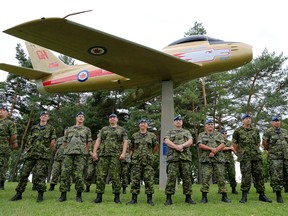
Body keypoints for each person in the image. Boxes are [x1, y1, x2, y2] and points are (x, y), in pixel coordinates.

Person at [11, 111, 56, 202]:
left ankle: (40, 195)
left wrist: (47, 150)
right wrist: (27, 149)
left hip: (42, 156)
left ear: (48, 118)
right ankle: (18, 194)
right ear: (40, 117)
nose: (43, 117)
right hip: (31, 154)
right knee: (24, 174)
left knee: (40, 175)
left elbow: (52, 141)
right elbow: (29, 139)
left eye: (46, 116)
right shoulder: (34, 128)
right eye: (42, 115)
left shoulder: (51, 128)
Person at [233, 113, 272, 203]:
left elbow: (258, 143)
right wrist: (239, 153)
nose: (248, 120)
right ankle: (244, 196)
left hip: (255, 156)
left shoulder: (255, 130)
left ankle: (262, 195)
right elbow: (234, 143)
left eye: (249, 118)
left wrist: (255, 151)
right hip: (245, 157)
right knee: (246, 176)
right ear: (242, 120)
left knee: (259, 175)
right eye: (246, 118)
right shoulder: (238, 131)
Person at [92, 113, 128, 204]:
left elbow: (125, 142)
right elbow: (99, 140)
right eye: (110, 117)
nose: (112, 119)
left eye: (114, 117)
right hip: (104, 155)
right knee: (101, 175)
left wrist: (123, 153)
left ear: (117, 120)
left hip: (116, 155)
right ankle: (99, 196)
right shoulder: (104, 129)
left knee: (115, 176)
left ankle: (117, 197)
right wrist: (94, 152)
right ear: (109, 120)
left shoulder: (122, 130)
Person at [58, 111, 92, 203]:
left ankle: (79, 195)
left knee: (79, 175)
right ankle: (63, 195)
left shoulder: (87, 130)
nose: (81, 118)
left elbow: (88, 143)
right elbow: (65, 142)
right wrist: (67, 149)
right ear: (76, 118)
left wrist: (85, 151)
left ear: (84, 119)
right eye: (79, 116)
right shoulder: (69, 129)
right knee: (65, 173)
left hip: (80, 154)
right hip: (68, 154)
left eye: (82, 116)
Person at [164, 115, 196, 205]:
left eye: (180, 120)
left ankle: (188, 197)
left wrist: (182, 146)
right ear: (174, 122)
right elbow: (166, 141)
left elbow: (190, 141)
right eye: (176, 120)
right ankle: (168, 198)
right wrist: (176, 147)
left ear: (182, 122)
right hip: (173, 158)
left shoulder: (187, 132)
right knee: (171, 178)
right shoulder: (170, 132)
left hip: (185, 158)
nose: (178, 122)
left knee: (187, 178)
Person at [197, 119, 230, 203]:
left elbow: (223, 144)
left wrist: (215, 151)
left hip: (218, 159)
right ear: (205, 126)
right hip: (206, 160)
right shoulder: (201, 135)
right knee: (205, 178)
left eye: (212, 124)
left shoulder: (218, 134)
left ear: (214, 126)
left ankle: (224, 196)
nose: (210, 125)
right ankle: (204, 197)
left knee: (221, 177)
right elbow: (200, 145)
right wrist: (212, 149)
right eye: (208, 124)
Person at [127, 119, 158, 205]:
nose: (143, 124)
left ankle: (149, 199)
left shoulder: (152, 136)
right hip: (137, 161)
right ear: (139, 125)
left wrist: (150, 155)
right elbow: (132, 147)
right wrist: (135, 155)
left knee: (149, 180)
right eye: (141, 123)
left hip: (148, 161)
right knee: (135, 180)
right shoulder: (134, 135)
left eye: (144, 123)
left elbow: (155, 147)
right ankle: (134, 199)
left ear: (147, 126)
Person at [262, 116, 288, 203]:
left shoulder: (284, 131)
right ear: (272, 122)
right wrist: (270, 150)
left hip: (286, 157)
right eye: (275, 121)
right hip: (275, 157)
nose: (277, 122)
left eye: (278, 121)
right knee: (276, 176)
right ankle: (278, 195)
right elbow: (264, 143)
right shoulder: (268, 132)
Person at [0, 104, 18, 190]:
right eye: (0, 109)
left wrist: (8, 143)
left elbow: (13, 135)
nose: (1, 111)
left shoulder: (9, 123)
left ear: (7, 113)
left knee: (2, 165)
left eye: (3, 110)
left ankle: (1, 184)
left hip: (3, 147)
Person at [221, 128, 238, 194]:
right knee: (221, 175)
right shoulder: (218, 142)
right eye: (223, 133)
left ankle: (233, 189)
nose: (224, 135)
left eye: (225, 133)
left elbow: (234, 149)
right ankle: (221, 189)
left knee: (232, 174)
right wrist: (230, 148)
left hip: (230, 161)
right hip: (221, 160)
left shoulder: (229, 142)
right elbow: (220, 148)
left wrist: (237, 153)